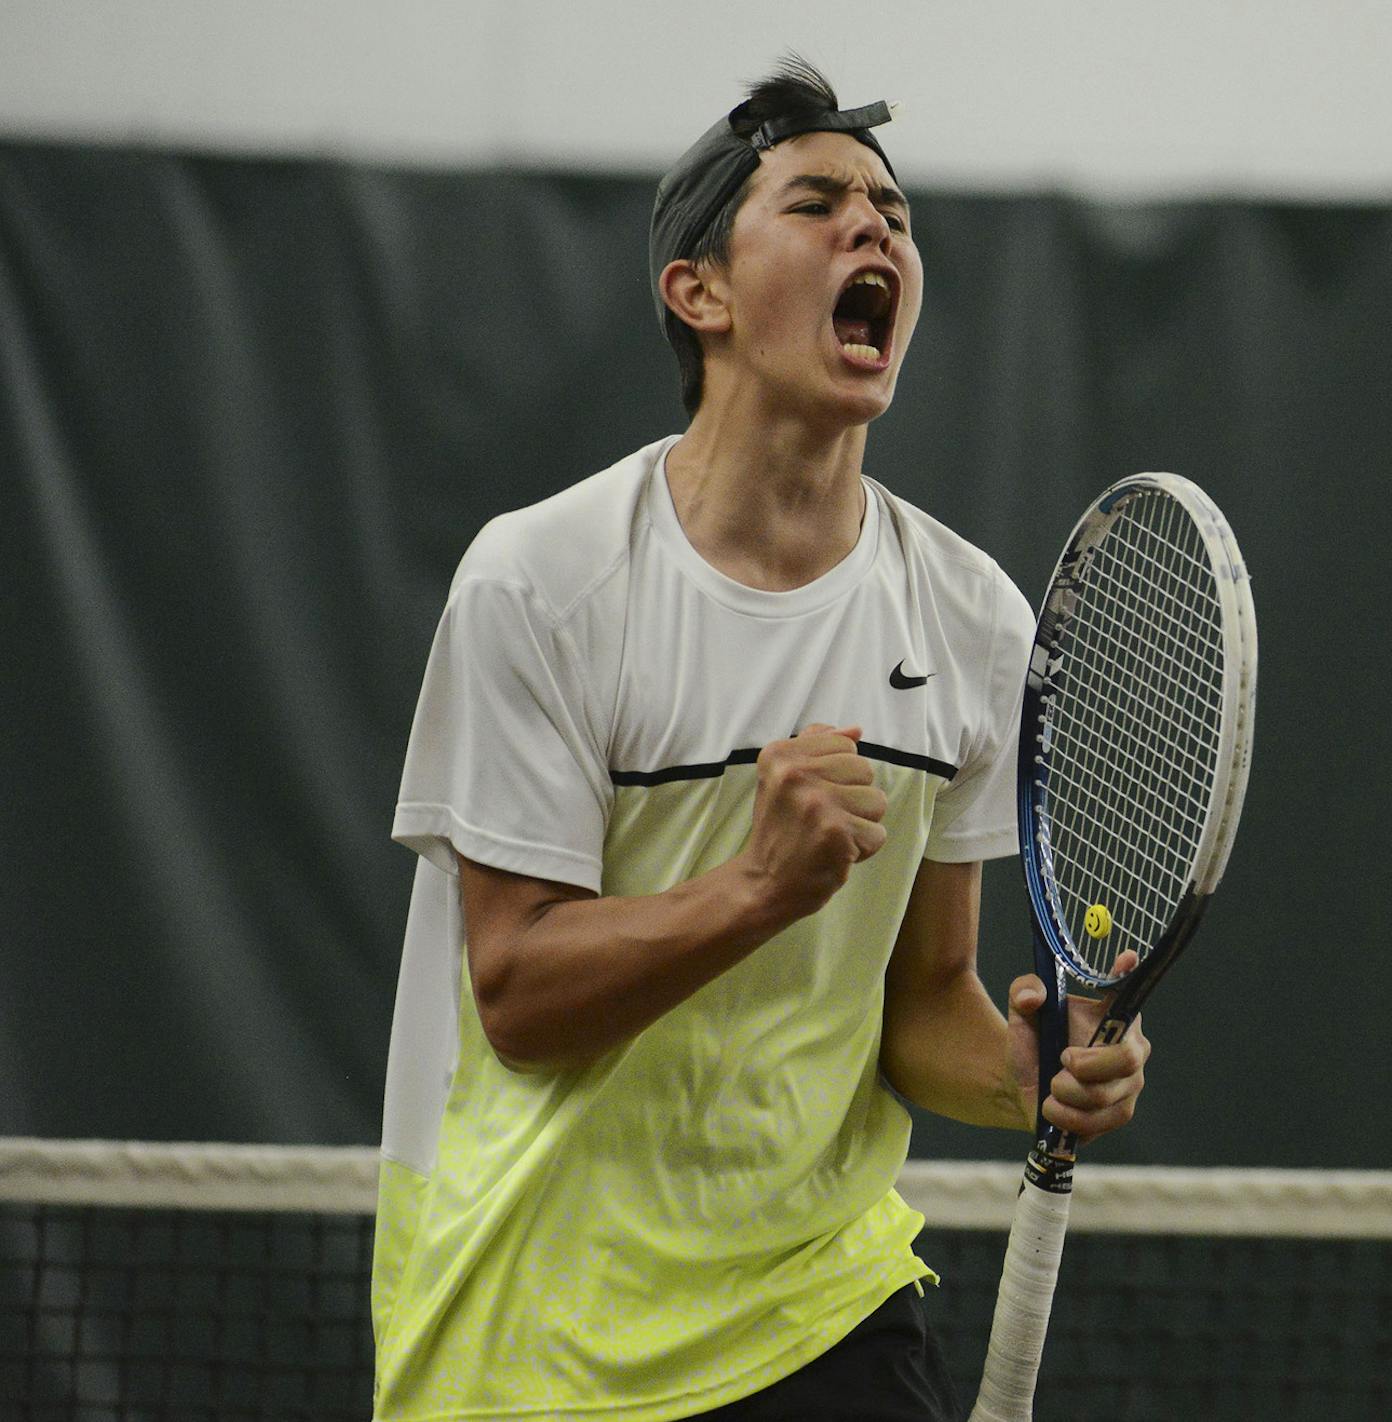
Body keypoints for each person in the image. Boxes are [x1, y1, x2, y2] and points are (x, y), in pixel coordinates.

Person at [370, 57, 1150, 1422]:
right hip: (534, 1332)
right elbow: (520, 990)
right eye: (819, 202)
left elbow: (922, 1003)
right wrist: (754, 889)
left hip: (817, 1307)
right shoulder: (539, 583)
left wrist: (1036, 1074)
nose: (878, 230)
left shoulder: (969, 619)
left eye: (894, 214)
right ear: (700, 291)